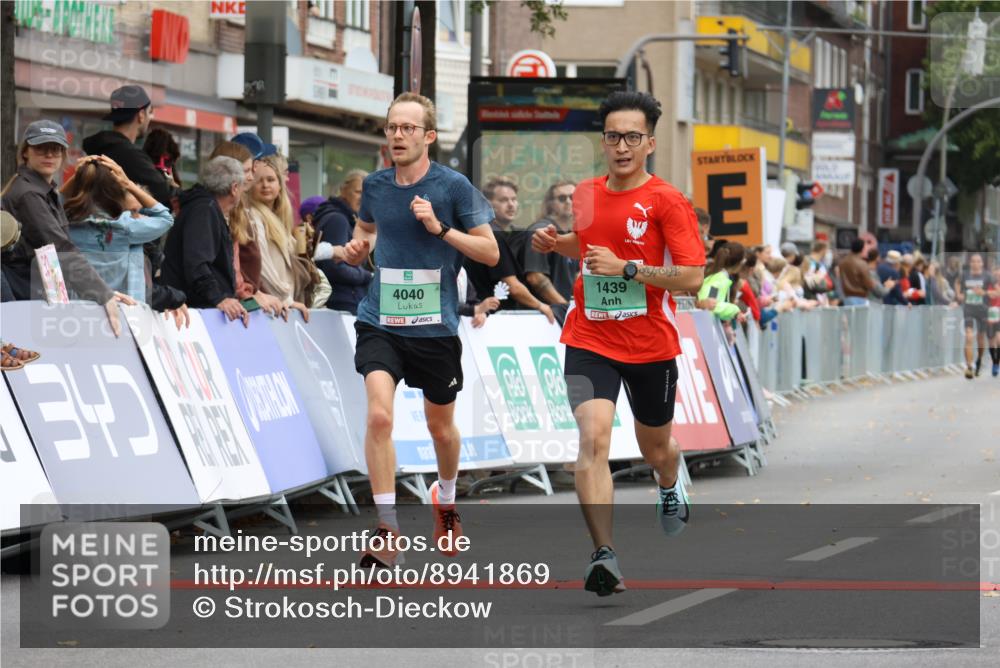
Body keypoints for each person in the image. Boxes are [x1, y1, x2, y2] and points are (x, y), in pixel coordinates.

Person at [531, 91, 705, 596]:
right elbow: (585, 245)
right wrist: (555, 242)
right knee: (593, 440)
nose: (621, 146)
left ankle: (670, 481)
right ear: (603, 141)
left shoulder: (667, 201)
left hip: (650, 345)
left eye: (632, 136)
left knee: (656, 448)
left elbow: (692, 278)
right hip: (589, 339)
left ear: (650, 142)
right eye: (613, 136)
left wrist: (629, 268)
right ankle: (603, 554)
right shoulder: (586, 194)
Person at [340, 92, 499, 567]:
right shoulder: (376, 185)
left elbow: (490, 253)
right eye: (392, 127)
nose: (398, 136)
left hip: (435, 327)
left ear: (429, 136)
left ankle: (445, 501)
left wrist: (440, 229)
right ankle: (387, 527)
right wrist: (357, 248)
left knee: (441, 430)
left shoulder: (453, 187)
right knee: (379, 418)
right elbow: (366, 231)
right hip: (380, 319)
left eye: (409, 128)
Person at [0, 120, 135, 334]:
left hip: (32, 296)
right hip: (21, 297)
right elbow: (59, 249)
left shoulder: (41, 190)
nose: (49, 154)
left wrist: (102, 291)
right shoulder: (29, 194)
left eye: (55, 149)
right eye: (41, 148)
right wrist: (102, 293)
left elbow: (57, 251)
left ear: (63, 154)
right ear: (25, 152)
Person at [62, 155, 174, 304]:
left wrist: (80, 176)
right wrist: (128, 184)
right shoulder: (125, 228)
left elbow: (48, 202)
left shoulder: (64, 223)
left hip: (75, 308)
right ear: (116, 192)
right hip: (118, 309)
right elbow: (165, 218)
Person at [160, 156, 249, 326]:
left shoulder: (204, 207)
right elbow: (196, 263)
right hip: (191, 315)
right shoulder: (204, 210)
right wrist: (219, 298)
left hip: (195, 311)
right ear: (235, 188)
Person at [463, 178, 555, 322]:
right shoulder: (493, 235)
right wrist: (542, 306)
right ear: (487, 204)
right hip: (489, 321)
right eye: (503, 200)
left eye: (514, 199)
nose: (511, 205)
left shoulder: (484, 231)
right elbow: (513, 286)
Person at [82, 85, 171, 206]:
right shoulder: (132, 156)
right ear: (141, 115)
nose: (150, 118)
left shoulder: (95, 147)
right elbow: (164, 193)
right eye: (149, 112)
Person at [247, 155, 312, 318]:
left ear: (280, 185)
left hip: (280, 305)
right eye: (258, 180)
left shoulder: (278, 218)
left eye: (270, 179)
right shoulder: (252, 216)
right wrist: (285, 298)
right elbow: (262, 265)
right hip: (270, 307)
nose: (265, 185)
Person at [305, 170, 374, 314]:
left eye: (367, 194)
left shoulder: (348, 218)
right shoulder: (338, 220)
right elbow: (335, 268)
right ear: (343, 190)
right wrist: (368, 276)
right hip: (342, 303)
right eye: (358, 192)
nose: (363, 198)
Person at [518, 180, 579, 318]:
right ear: (551, 204)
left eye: (573, 197)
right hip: (541, 319)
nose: (569, 202)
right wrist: (567, 309)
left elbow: (576, 276)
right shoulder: (541, 230)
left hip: (561, 315)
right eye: (562, 198)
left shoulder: (571, 235)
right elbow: (535, 277)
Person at [955, 253, 998, 379]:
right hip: (968, 309)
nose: (975, 264)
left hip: (983, 310)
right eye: (973, 261)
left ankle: (979, 358)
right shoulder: (965, 275)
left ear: (982, 263)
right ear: (970, 263)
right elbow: (957, 283)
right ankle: (969, 367)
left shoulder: (987, 276)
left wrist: (984, 292)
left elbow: (997, 291)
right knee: (968, 337)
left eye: (978, 261)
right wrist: (959, 294)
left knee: (980, 338)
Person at [697, 241, 746, 322]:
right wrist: (735, 311)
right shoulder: (719, 279)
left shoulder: (718, 276)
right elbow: (712, 303)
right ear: (739, 263)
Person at [839, 238, 875, 306]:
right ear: (862, 249)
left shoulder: (843, 262)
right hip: (860, 297)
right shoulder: (862, 264)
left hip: (847, 297)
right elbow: (868, 283)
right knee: (860, 316)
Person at [988, 265, 1000, 377]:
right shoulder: (988, 285)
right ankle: (994, 361)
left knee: (998, 339)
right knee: (991, 342)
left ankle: (996, 363)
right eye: (996, 274)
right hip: (989, 315)